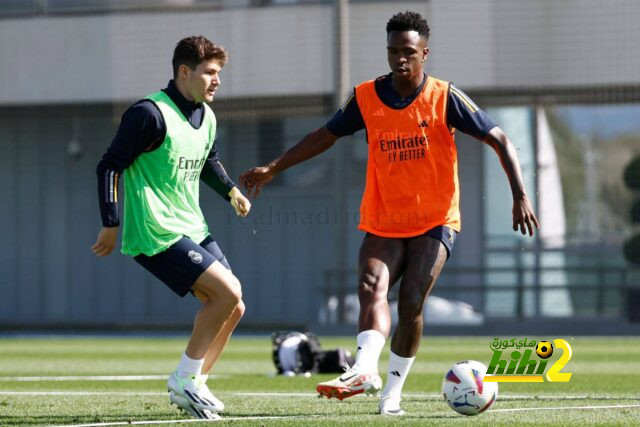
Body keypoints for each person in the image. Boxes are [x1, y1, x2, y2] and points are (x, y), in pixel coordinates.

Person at [240, 11, 539, 416]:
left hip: (435, 221)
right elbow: (324, 136)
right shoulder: (365, 96)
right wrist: (274, 167)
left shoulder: (444, 96)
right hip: (384, 219)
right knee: (370, 284)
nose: (400, 59)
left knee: (411, 302)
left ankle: (391, 396)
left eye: (409, 52)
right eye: (393, 51)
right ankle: (364, 369)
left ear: (424, 54)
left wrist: (520, 195)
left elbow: (499, 137)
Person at [92, 35, 250, 420]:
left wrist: (231, 191)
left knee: (235, 307)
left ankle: (193, 384)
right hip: (155, 229)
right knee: (229, 291)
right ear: (184, 71)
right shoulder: (149, 113)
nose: (217, 81)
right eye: (210, 72)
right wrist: (111, 224)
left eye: (219, 73)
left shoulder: (207, 116)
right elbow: (109, 166)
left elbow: (208, 160)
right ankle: (184, 379)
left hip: (192, 225)